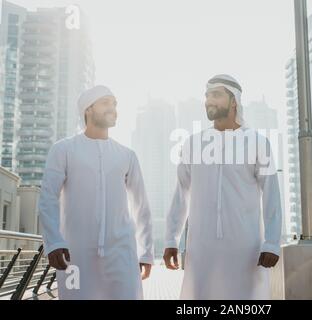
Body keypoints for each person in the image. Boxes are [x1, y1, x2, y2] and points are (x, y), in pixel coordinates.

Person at [164, 74, 282, 299]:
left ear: (234, 100)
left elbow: (271, 195)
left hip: (246, 251)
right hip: (201, 251)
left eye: (216, 94)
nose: (209, 100)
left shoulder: (258, 143)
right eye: (207, 95)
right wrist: (171, 238)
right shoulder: (193, 144)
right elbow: (181, 194)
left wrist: (272, 243)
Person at [39, 85, 154, 299]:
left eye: (115, 104)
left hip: (122, 254)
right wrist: (53, 242)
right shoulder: (63, 150)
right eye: (106, 102)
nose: (113, 108)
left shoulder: (126, 155)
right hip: (74, 254)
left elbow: (141, 206)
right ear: (88, 109)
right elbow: (48, 199)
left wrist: (146, 251)